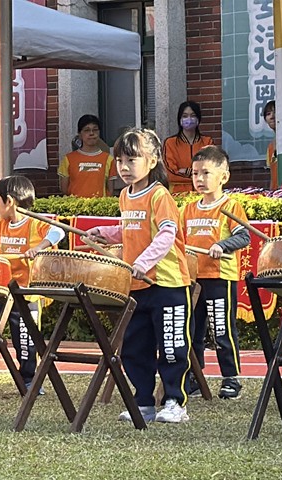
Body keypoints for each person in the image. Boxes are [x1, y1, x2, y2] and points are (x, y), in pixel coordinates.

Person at [86, 128, 193, 424]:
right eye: (120, 160)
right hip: (135, 285)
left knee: (171, 346)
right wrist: (104, 233)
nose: (124, 167)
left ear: (153, 160)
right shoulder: (125, 195)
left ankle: (175, 402)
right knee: (135, 348)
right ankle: (144, 401)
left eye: (132, 160)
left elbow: (166, 234)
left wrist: (143, 262)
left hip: (167, 284)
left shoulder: (160, 195)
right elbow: (130, 229)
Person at [0, 175, 63, 392]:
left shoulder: (36, 224)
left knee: (26, 338)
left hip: (26, 293)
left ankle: (29, 380)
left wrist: (38, 248)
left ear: (8, 201)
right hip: (0, 290)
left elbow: (59, 231)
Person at [180, 146, 250, 399]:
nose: (199, 178)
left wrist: (222, 245)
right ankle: (195, 377)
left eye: (206, 173)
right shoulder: (187, 209)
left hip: (220, 278)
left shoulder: (231, 206)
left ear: (224, 176)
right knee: (192, 330)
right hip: (193, 278)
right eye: (195, 173)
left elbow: (244, 236)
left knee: (222, 329)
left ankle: (231, 379)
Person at [59, 114, 117, 198]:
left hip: (99, 205)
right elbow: (64, 189)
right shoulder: (68, 159)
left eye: (95, 130)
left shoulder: (108, 159)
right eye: (87, 130)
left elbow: (110, 190)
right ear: (80, 134)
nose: (91, 133)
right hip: (75, 204)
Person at [163, 101, 213, 195]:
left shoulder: (207, 142)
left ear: (198, 119)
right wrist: (198, 175)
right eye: (185, 116)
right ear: (180, 119)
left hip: (203, 193)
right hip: (178, 194)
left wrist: (186, 171)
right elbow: (170, 174)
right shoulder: (170, 143)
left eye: (193, 116)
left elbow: (210, 170)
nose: (189, 119)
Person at [264, 100, 277, 190]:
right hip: (276, 193)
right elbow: (272, 176)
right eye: (268, 114)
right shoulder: (270, 148)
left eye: (275, 112)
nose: (272, 116)